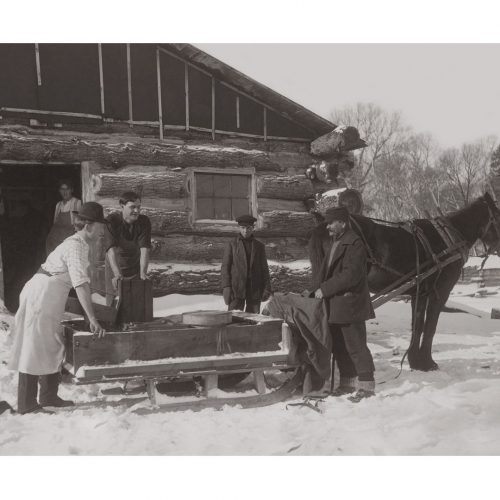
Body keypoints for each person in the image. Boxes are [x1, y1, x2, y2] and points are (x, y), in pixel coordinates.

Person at [9, 202, 107, 414]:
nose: (102, 230)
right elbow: (80, 283)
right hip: (41, 295)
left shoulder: (82, 245)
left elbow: (80, 281)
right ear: (89, 225)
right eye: (100, 225)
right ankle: (27, 404)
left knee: (52, 344)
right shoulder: (75, 245)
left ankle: (48, 397)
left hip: (51, 296)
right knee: (33, 346)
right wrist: (92, 318)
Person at [313, 206, 376, 402]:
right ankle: (347, 383)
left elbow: (351, 275)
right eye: (327, 223)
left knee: (356, 346)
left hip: (350, 303)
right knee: (340, 346)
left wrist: (325, 289)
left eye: (332, 223)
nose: (328, 226)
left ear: (343, 222)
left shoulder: (355, 243)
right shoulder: (336, 242)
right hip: (336, 304)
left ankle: (367, 386)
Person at [221, 214, 272, 314]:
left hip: (255, 290)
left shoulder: (259, 246)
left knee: (252, 320)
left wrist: (267, 288)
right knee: (234, 319)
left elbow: (264, 269)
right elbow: (225, 267)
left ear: (253, 228)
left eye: (248, 228)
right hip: (236, 290)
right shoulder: (232, 245)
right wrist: (226, 287)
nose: (245, 231)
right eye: (243, 228)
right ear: (239, 228)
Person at [105, 191, 152, 293]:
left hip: (135, 268)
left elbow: (144, 249)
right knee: (115, 303)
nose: (137, 210)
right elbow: (111, 250)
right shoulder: (112, 221)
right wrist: (117, 274)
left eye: (139, 207)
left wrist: (143, 273)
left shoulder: (144, 222)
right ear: (122, 206)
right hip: (115, 267)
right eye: (132, 207)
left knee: (135, 302)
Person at [46, 179, 82, 255]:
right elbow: (55, 223)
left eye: (67, 189)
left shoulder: (77, 202)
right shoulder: (58, 205)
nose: (64, 192)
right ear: (59, 191)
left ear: (71, 190)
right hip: (56, 239)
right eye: (62, 189)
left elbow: (80, 224)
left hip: (69, 237)